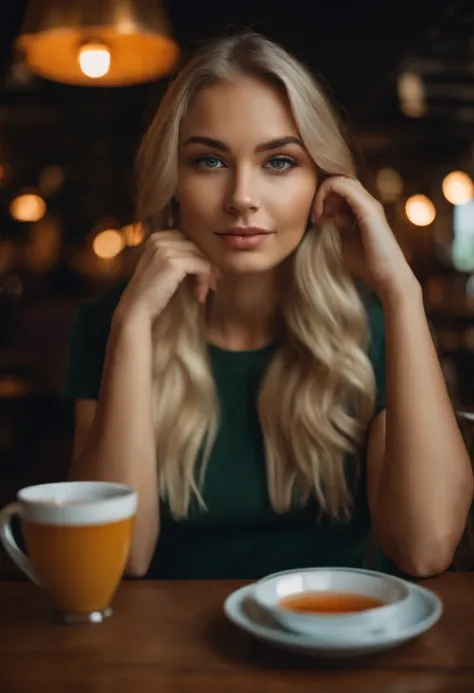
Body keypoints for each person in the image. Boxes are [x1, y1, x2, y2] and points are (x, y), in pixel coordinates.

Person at [65, 32, 473, 580]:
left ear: (322, 187)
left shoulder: (371, 331)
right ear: (173, 182)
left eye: (279, 162)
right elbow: (117, 561)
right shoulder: (108, 324)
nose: (242, 197)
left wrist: (402, 291)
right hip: (163, 658)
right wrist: (134, 327)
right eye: (209, 160)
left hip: (332, 644)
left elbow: (426, 548)